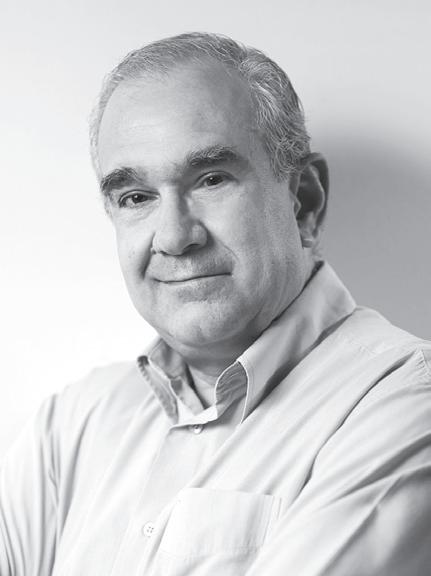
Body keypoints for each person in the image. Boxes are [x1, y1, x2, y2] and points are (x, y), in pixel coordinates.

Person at [1, 32, 431, 576]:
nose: (174, 237)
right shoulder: (71, 426)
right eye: (136, 197)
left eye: (210, 180)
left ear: (304, 200)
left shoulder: (406, 401)